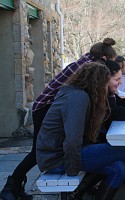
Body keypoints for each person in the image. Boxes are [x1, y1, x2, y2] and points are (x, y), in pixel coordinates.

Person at [0, 38, 117, 200]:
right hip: (46, 107)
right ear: (104, 58)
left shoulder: (87, 61)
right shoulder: (88, 68)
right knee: (38, 151)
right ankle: (11, 186)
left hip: (56, 104)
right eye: (110, 63)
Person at [36, 62, 125, 200]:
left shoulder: (79, 93)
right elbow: (73, 139)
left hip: (62, 154)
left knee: (119, 169)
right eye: (105, 84)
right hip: (58, 159)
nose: (106, 88)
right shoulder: (78, 97)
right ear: (97, 83)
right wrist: (72, 172)